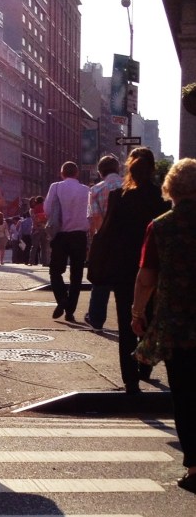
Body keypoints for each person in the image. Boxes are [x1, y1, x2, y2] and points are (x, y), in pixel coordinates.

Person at [132, 158, 196, 491]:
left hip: (177, 324)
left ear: (170, 189)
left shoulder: (160, 226)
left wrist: (137, 312)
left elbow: (146, 278)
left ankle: (195, 466)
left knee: (185, 395)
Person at [103, 147, 169, 394]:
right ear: (153, 168)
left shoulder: (117, 196)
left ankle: (130, 380)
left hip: (123, 269)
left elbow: (108, 234)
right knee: (149, 318)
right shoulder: (161, 198)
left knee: (126, 322)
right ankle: (145, 367)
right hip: (152, 268)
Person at [43, 160, 89, 322]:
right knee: (76, 274)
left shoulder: (55, 187)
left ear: (62, 173)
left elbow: (47, 210)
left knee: (55, 271)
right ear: (77, 173)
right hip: (79, 236)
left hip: (61, 235)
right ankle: (70, 310)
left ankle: (62, 298)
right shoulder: (86, 190)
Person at [85, 154, 122, 330]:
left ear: (100, 172)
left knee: (101, 281)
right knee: (126, 283)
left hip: (105, 240)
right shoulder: (129, 186)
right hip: (127, 241)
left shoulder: (95, 190)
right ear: (118, 169)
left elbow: (95, 221)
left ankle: (96, 319)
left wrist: (94, 242)